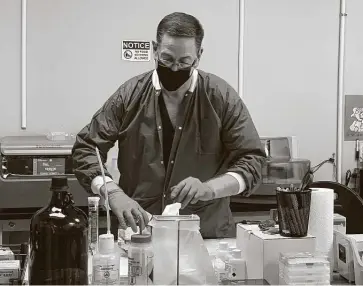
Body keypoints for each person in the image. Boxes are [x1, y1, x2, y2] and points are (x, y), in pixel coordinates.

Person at [72, 12, 265, 238]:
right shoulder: (129, 95)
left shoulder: (220, 97)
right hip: (139, 235)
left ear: (199, 56)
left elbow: (254, 161)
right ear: (155, 49)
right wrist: (112, 193)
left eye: (184, 62)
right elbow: (86, 148)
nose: (174, 69)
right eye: (166, 59)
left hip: (205, 236)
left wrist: (210, 189)